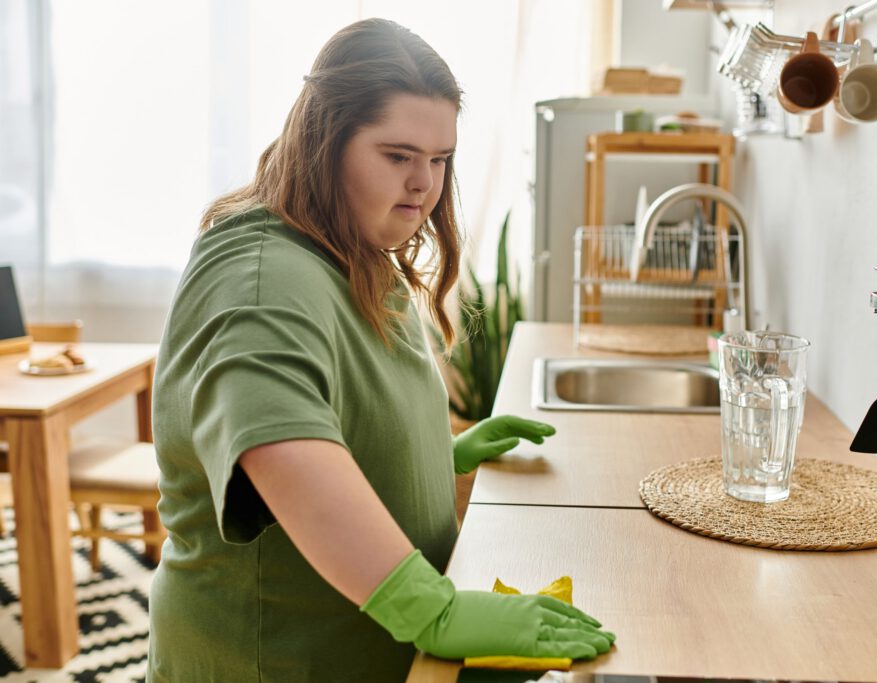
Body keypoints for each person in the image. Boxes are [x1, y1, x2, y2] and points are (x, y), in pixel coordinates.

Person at [146, 18, 614, 682]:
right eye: (397, 156)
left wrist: (435, 450)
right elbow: (281, 451)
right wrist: (435, 612)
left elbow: (334, 420)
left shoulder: (352, 248)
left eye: (440, 158)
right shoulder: (258, 276)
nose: (424, 184)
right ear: (323, 141)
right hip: (270, 660)